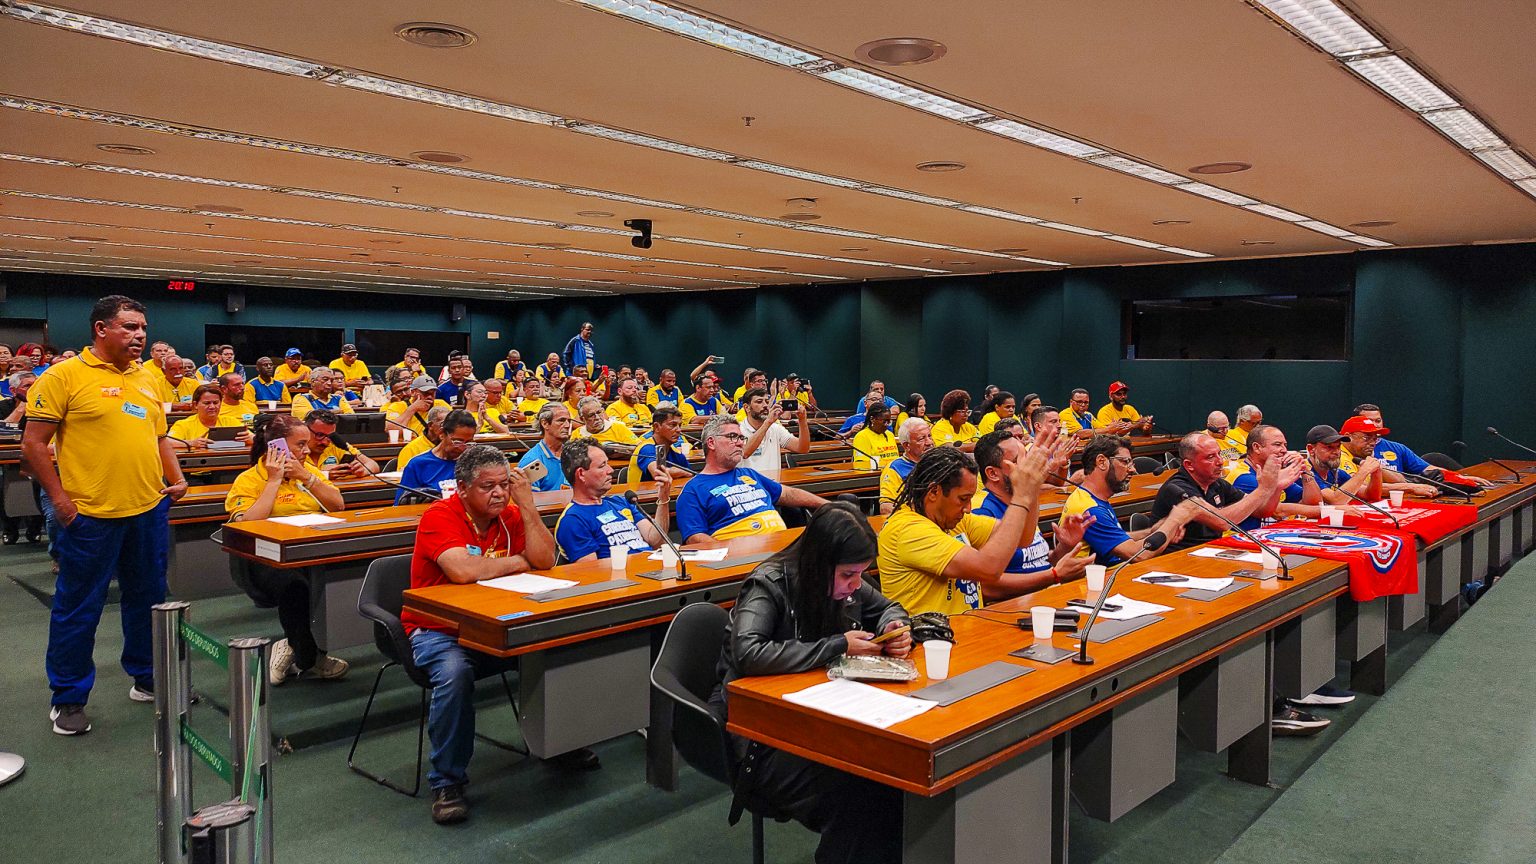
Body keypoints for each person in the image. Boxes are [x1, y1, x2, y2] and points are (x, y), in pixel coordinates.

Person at [405, 444, 599, 824]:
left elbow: (545, 560)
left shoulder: (511, 513)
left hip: (500, 622)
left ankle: (559, 744)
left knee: (556, 649)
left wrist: (527, 506)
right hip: (439, 630)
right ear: (463, 488)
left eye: (504, 485)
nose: (498, 493)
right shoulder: (439, 516)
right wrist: (517, 562)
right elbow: (462, 570)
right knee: (455, 674)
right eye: (487, 486)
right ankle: (446, 781)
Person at [23, 295, 189, 735]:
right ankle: (69, 698)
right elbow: (33, 444)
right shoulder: (64, 376)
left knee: (149, 600)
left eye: (143, 328)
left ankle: (148, 678)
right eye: (129, 327)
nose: (140, 336)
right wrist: (60, 500)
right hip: (90, 516)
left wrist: (177, 478)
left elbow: (159, 436)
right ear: (101, 329)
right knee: (79, 607)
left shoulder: (148, 377)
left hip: (147, 510)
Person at [713, 502, 908, 864]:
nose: (856, 585)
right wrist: (837, 645)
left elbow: (888, 607)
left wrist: (892, 627)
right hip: (762, 736)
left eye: (861, 574)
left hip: (817, 717)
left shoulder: (844, 580)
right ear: (820, 563)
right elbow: (748, 653)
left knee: (892, 779)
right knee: (865, 797)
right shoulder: (768, 583)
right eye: (849, 575)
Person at [876, 431, 1072, 616]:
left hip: (966, 627)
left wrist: (1032, 485)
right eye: (963, 499)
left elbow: (1023, 538)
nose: (968, 508)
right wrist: (1021, 494)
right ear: (934, 492)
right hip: (927, 638)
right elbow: (988, 570)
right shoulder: (908, 529)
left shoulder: (954, 519)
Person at [225, 414, 347, 685]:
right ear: (276, 447)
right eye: (300, 445)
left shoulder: (308, 471)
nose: (307, 450)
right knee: (296, 588)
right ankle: (310, 658)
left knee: (343, 576)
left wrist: (306, 477)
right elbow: (247, 524)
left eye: (307, 444)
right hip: (262, 558)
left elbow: (338, 505)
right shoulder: (249, 479)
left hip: (309, 550)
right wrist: (273, 481)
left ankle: (289, 644)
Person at [971, 430, 1096, 595]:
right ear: (993, 473)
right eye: (1018, 461)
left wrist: (1064, 547)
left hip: (1043, 596)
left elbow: (1035, 563)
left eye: (1027, 459)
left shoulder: (1024, 499)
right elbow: (985, 587)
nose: (1029, 468)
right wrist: (1053, 576)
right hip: (1013, 605)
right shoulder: (981, 511)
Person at [675, 416, 829, 547]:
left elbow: (787, 494)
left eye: (741, 438)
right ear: (711, 443)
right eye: (732, 437)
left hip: (783, 547)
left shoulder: (748, 474)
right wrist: (730, 554)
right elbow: (695, 538)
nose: (740, 443)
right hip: (745, 560)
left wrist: (828, 505)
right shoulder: (693, 490)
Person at [1060, 435, 1201, 565]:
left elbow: (1115, 538)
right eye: (1125, 462)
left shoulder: (1089, 498)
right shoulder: (1090, 510)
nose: (1132, 469)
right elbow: (1138, 554)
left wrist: (1151, 531)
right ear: (1101, 462)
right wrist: (1174, 520)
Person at [1150, 433, 1297, 551]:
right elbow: (1222, 522)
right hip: (1177, 558)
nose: (1220, 461)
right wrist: (1264, 489)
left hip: (1210, 551)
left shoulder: (1216, 483)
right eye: (1210, 457)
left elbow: (1262, 511)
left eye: (1219, 454)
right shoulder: (1177, 489)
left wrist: (1276, 488)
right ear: (1189, 465)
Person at [555, 440, 672, 562]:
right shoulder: (573, 520)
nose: (610, 470)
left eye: (608, 463)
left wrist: (663, 496)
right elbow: (591, 570)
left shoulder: (621, 502)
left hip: (651, 566)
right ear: (581, 474)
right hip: (625, 572)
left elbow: (655, 539)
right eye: (602, 466)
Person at [1225, 425, 1327, 526]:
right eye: (1277, 445)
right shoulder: (1243, 477)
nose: (1284, 450)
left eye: (1285, 445)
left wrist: (1305, 470)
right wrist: (1330, 511)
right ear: (1257, 447)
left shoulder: (1276, 473)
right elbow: (1276, 511)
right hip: (1242, 535)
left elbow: (1313, 503)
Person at [1337, 416, 1443, 497]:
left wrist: (1378, 466)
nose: (1372, 443)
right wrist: (1411, 487)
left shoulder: (1361, 455)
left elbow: (1400, 481)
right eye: (1367, 438)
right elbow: (1361, 489)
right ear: (1347, 437)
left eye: (1375, 438)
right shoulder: (1339, 456)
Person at [0, 370, 44, 544]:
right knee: (6, 483)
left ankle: (35, 528)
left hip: (38, 456)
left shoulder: (44, 405)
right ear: (13, 390)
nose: (33, 389)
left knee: (41, 483)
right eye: (28, 386)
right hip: (8, 457)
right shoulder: (4, 406)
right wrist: (22, 407)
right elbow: (3, 432)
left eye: (36, 385)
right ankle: (10, 529)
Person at [398, 411, 478, 503]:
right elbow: (402, 504)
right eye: (457, 442)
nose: (462, 448)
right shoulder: (419, 464)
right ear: (442, 434)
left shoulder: (472, 464)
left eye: (468, 443)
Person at [740, 387, 811, 474]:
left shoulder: (775, 428)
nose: (765, 405)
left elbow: (803, 449)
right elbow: (745, 453)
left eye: (767, 401)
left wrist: (802, 420)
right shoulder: (738, 429)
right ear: (747, 407)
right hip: (749, 481)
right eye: (759, 402)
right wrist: (768, 422)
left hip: (773, 481)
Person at [304, 408, 380, 481]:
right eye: (320, 435)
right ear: (305, 429)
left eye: (330, 436)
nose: (325, 442)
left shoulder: (336, 444)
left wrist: (363, 470)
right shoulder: (297, 448)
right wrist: (325, 474)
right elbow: (298, 475)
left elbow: (374, 465)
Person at [169, 384, 253, 447]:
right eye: (207, 403)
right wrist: (191, 443)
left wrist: (249, 439)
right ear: (195, 405)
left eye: (216, 403)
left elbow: (255, 438)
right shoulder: (183, 424)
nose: (212, 407)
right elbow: (168, 442)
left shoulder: (231, 421)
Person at [879, 418, 931, 516]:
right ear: (907, 445)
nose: (929, 442)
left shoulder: (939, 464)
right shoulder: (895, 468)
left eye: (929, 436)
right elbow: (886, 508)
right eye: (921, 439)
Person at [517, 403, 574, 492]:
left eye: (569, 421)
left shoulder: (572, 455)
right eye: (561, 420)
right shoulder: (532, 461)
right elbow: (530, 499)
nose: (567, 425)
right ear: (545, 423)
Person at [630, 405, 692, 482]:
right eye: (672, 425)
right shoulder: (646, 448)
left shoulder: (676, 453)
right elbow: (658, 473)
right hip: (638, 490)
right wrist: (682, 472)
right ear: (656, 427)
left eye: (679, 425)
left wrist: (685, 472)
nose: (678, 430)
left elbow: (691, 475)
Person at [572, 395, 639, 455]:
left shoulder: (618, 427)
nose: (597, 417)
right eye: (591, 415)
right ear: (582, 419)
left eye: (599, 412)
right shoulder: (577, 435)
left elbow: (638, 448)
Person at [385, 375, 450, 438]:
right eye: (425, 393)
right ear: (413, 392)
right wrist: (413, 408)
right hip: (410, 443)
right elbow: (391, 431)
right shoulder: (397, 406)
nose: (429, 397)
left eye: (432, 393)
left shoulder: (441, 404)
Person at [848, 402, 898, 471]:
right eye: (884, 421)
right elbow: (862, 465)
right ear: (872, 419)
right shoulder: (862, 436)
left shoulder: (890, 435)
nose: (886, 424)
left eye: (889, 422)